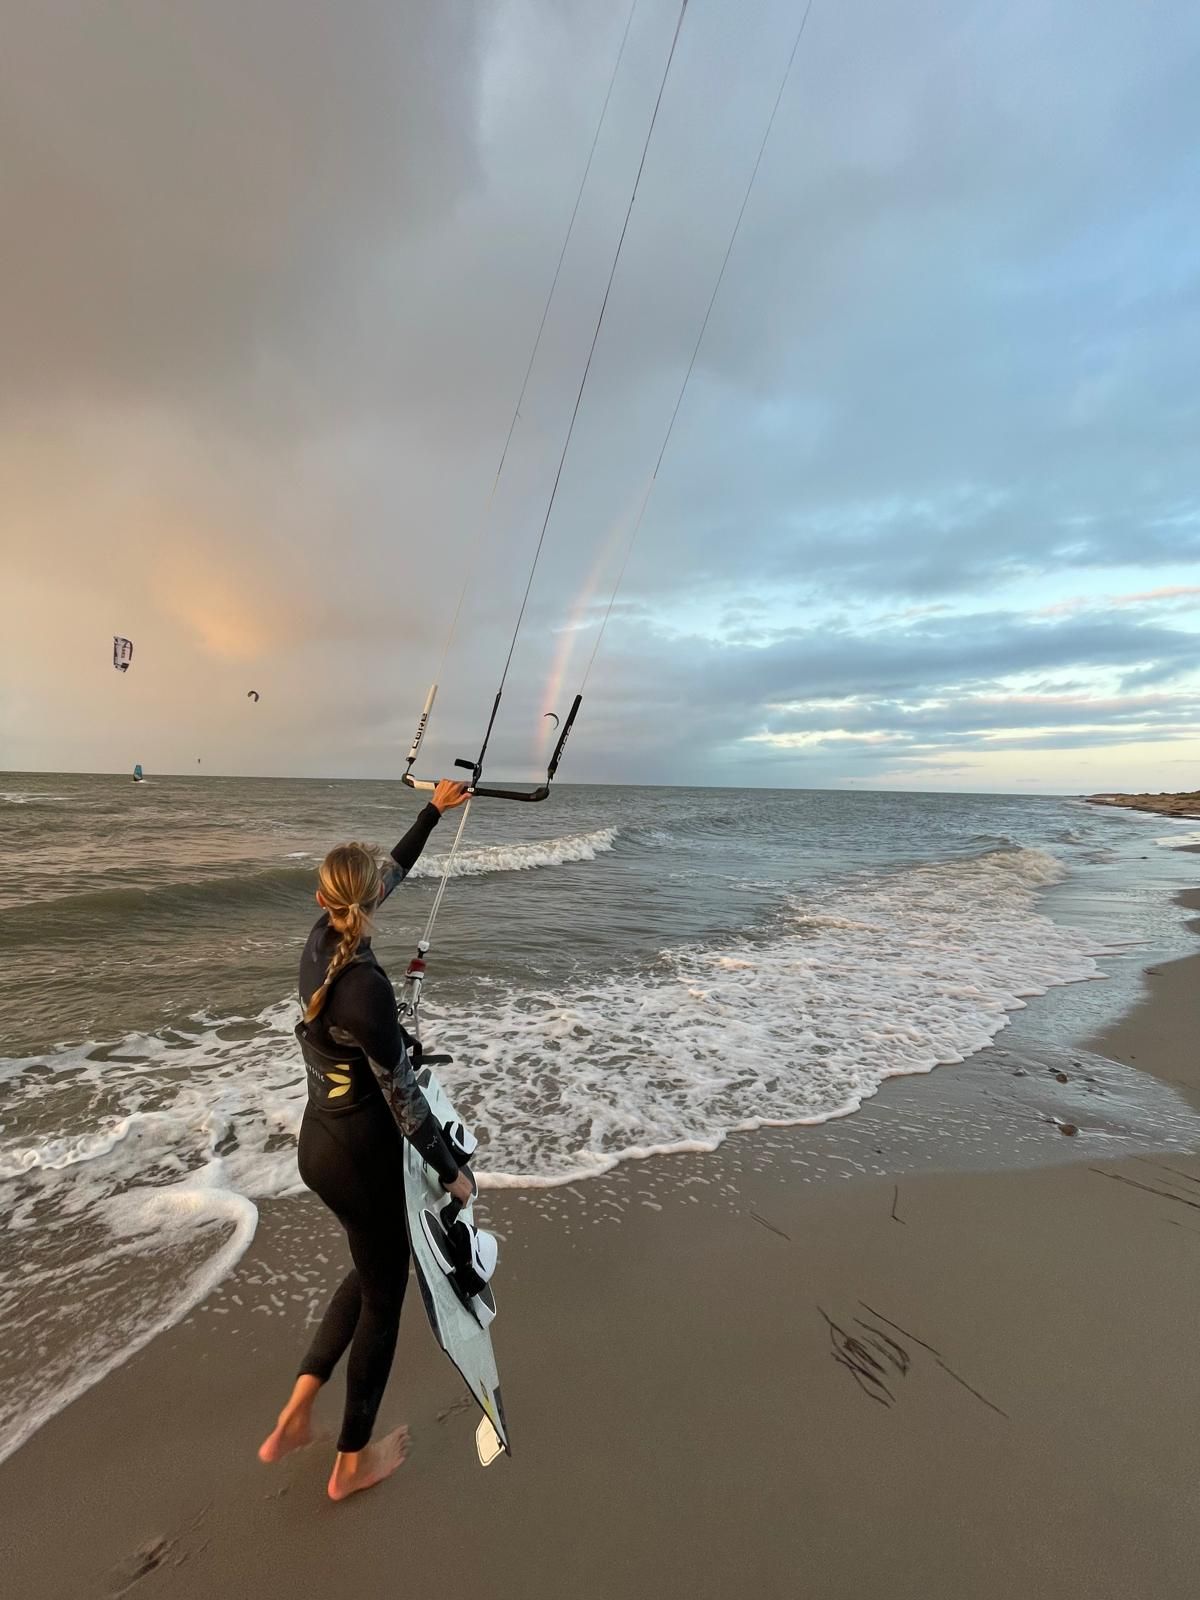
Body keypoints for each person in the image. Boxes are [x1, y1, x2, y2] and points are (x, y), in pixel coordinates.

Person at [258, 779, 472, 1501]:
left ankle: (297, 1410)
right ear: (368, 899)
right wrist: (451, 1169)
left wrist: (434, 811)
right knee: (386, 1295)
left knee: (370, 1265)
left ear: (324, 899)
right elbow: (405, 1100)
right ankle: (349, 1463)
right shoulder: (365, 991)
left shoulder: (320, 942)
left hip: (319, 1144)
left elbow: (392, 870)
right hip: (360, 1154)